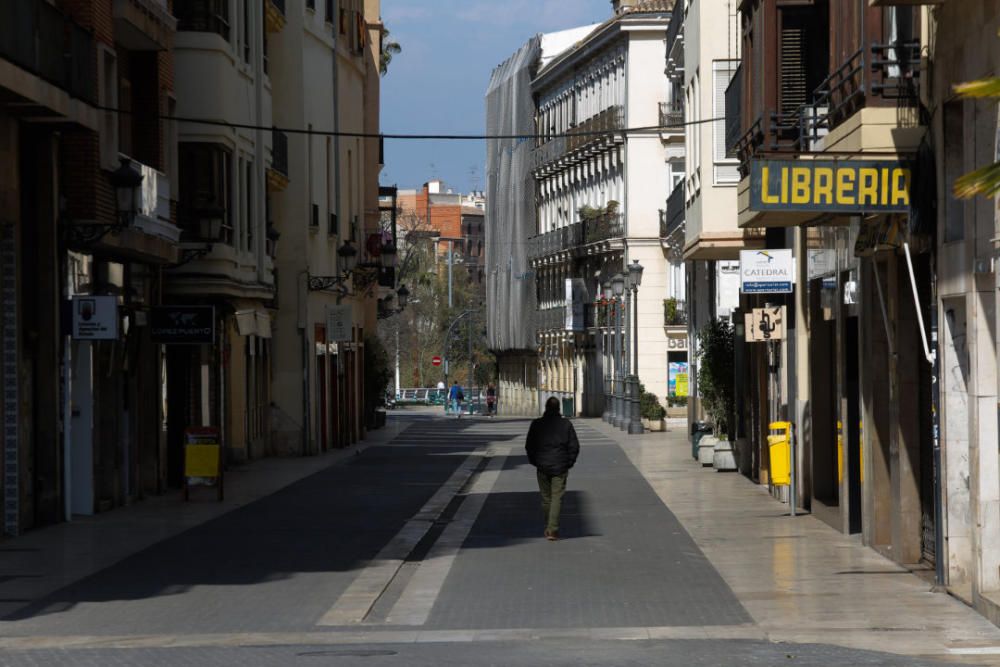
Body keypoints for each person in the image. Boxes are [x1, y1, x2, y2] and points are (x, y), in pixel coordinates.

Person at [524, 397, 580, 541]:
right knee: (557, 497)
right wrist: (569, 462)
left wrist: (535, 461)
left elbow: (529, 445)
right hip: (560, 465)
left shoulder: (537, 424)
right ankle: (552, 529)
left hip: (542, 465)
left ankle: (549, 526)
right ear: (559, 408)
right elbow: (574, 446)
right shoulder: (566, 424)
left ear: (546, 407)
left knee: (546, 498)